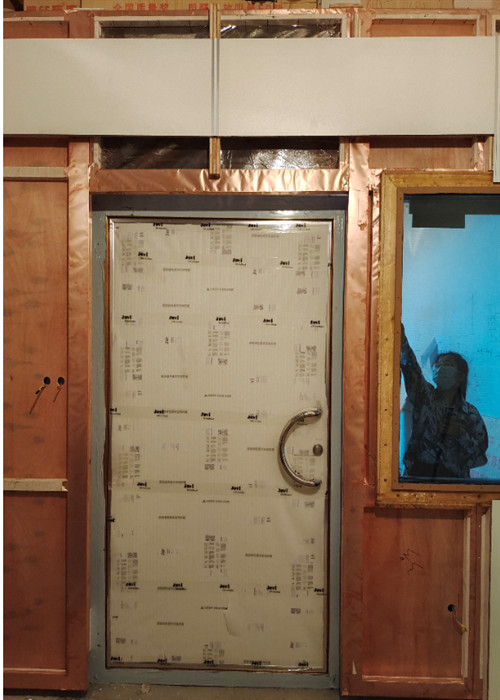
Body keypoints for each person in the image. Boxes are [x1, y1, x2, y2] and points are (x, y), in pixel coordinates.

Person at [400, 324, 488, 480]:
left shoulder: (471, 414)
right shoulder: (425, 398)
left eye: (446, 365)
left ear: (460, 376)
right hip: (417, 479)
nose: (440, 369)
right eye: (437, 365)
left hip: (452, 484)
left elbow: (478, 458)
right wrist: (402, 341)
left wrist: (460, 434)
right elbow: (412, 371)